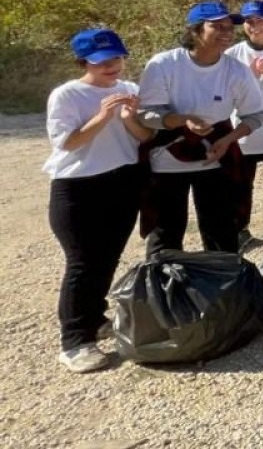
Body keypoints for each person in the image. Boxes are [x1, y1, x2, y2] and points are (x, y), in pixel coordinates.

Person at [45, 28, 151, 373]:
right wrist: (102, 117)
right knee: (82, 263)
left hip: (121, 182)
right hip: (78, 187)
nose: (112, 67)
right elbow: (68, 143)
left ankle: (95, 316)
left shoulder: (130, 90)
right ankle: (75, 340)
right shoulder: (67, 95)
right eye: (102, 62)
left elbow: (145, 136)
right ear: (84, 62)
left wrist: (128, 119)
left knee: (107, 257)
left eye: (117, 59)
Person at [138, 2, 263, 257]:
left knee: (221, 233)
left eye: (229, 27)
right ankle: (164, 291)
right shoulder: (164, 64)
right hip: (167, 162)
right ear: (195, 30)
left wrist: (229, 139)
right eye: (217, 26)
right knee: (166, 235)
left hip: (215, 160)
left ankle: (222, 291)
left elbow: (255, 115)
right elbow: (146, 114)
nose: (226, 32)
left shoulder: (236, 70)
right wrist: (182, 120)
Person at [223, 0, 263, 250]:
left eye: (260, 21)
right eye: (249, 21)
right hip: (243, 133)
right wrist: (250, 78)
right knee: (240, 188)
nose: (254, 26)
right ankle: (239, 231)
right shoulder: (232, 55)